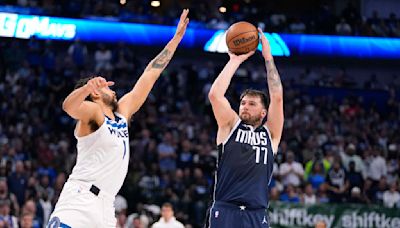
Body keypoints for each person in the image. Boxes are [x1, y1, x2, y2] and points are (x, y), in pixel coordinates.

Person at [46, 9, 189, 228]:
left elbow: (150, 74)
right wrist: (86, 88)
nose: (111, 87)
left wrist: (176, 39)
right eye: (102, 85)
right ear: (95, 93)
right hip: (80, 199)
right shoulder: (93, 113)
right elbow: (69, 107)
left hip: (106, 206)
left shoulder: (121, 113)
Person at [205, 28, 284, 228]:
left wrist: (268, 58)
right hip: (225, 209)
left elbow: (277, 97)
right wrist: (234, 61)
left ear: (263, 112)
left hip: (256, 214)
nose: (245, 107)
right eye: (243, 103)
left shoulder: (271, 134)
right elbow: (215, 95)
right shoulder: (230, 125)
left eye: (251, 104)